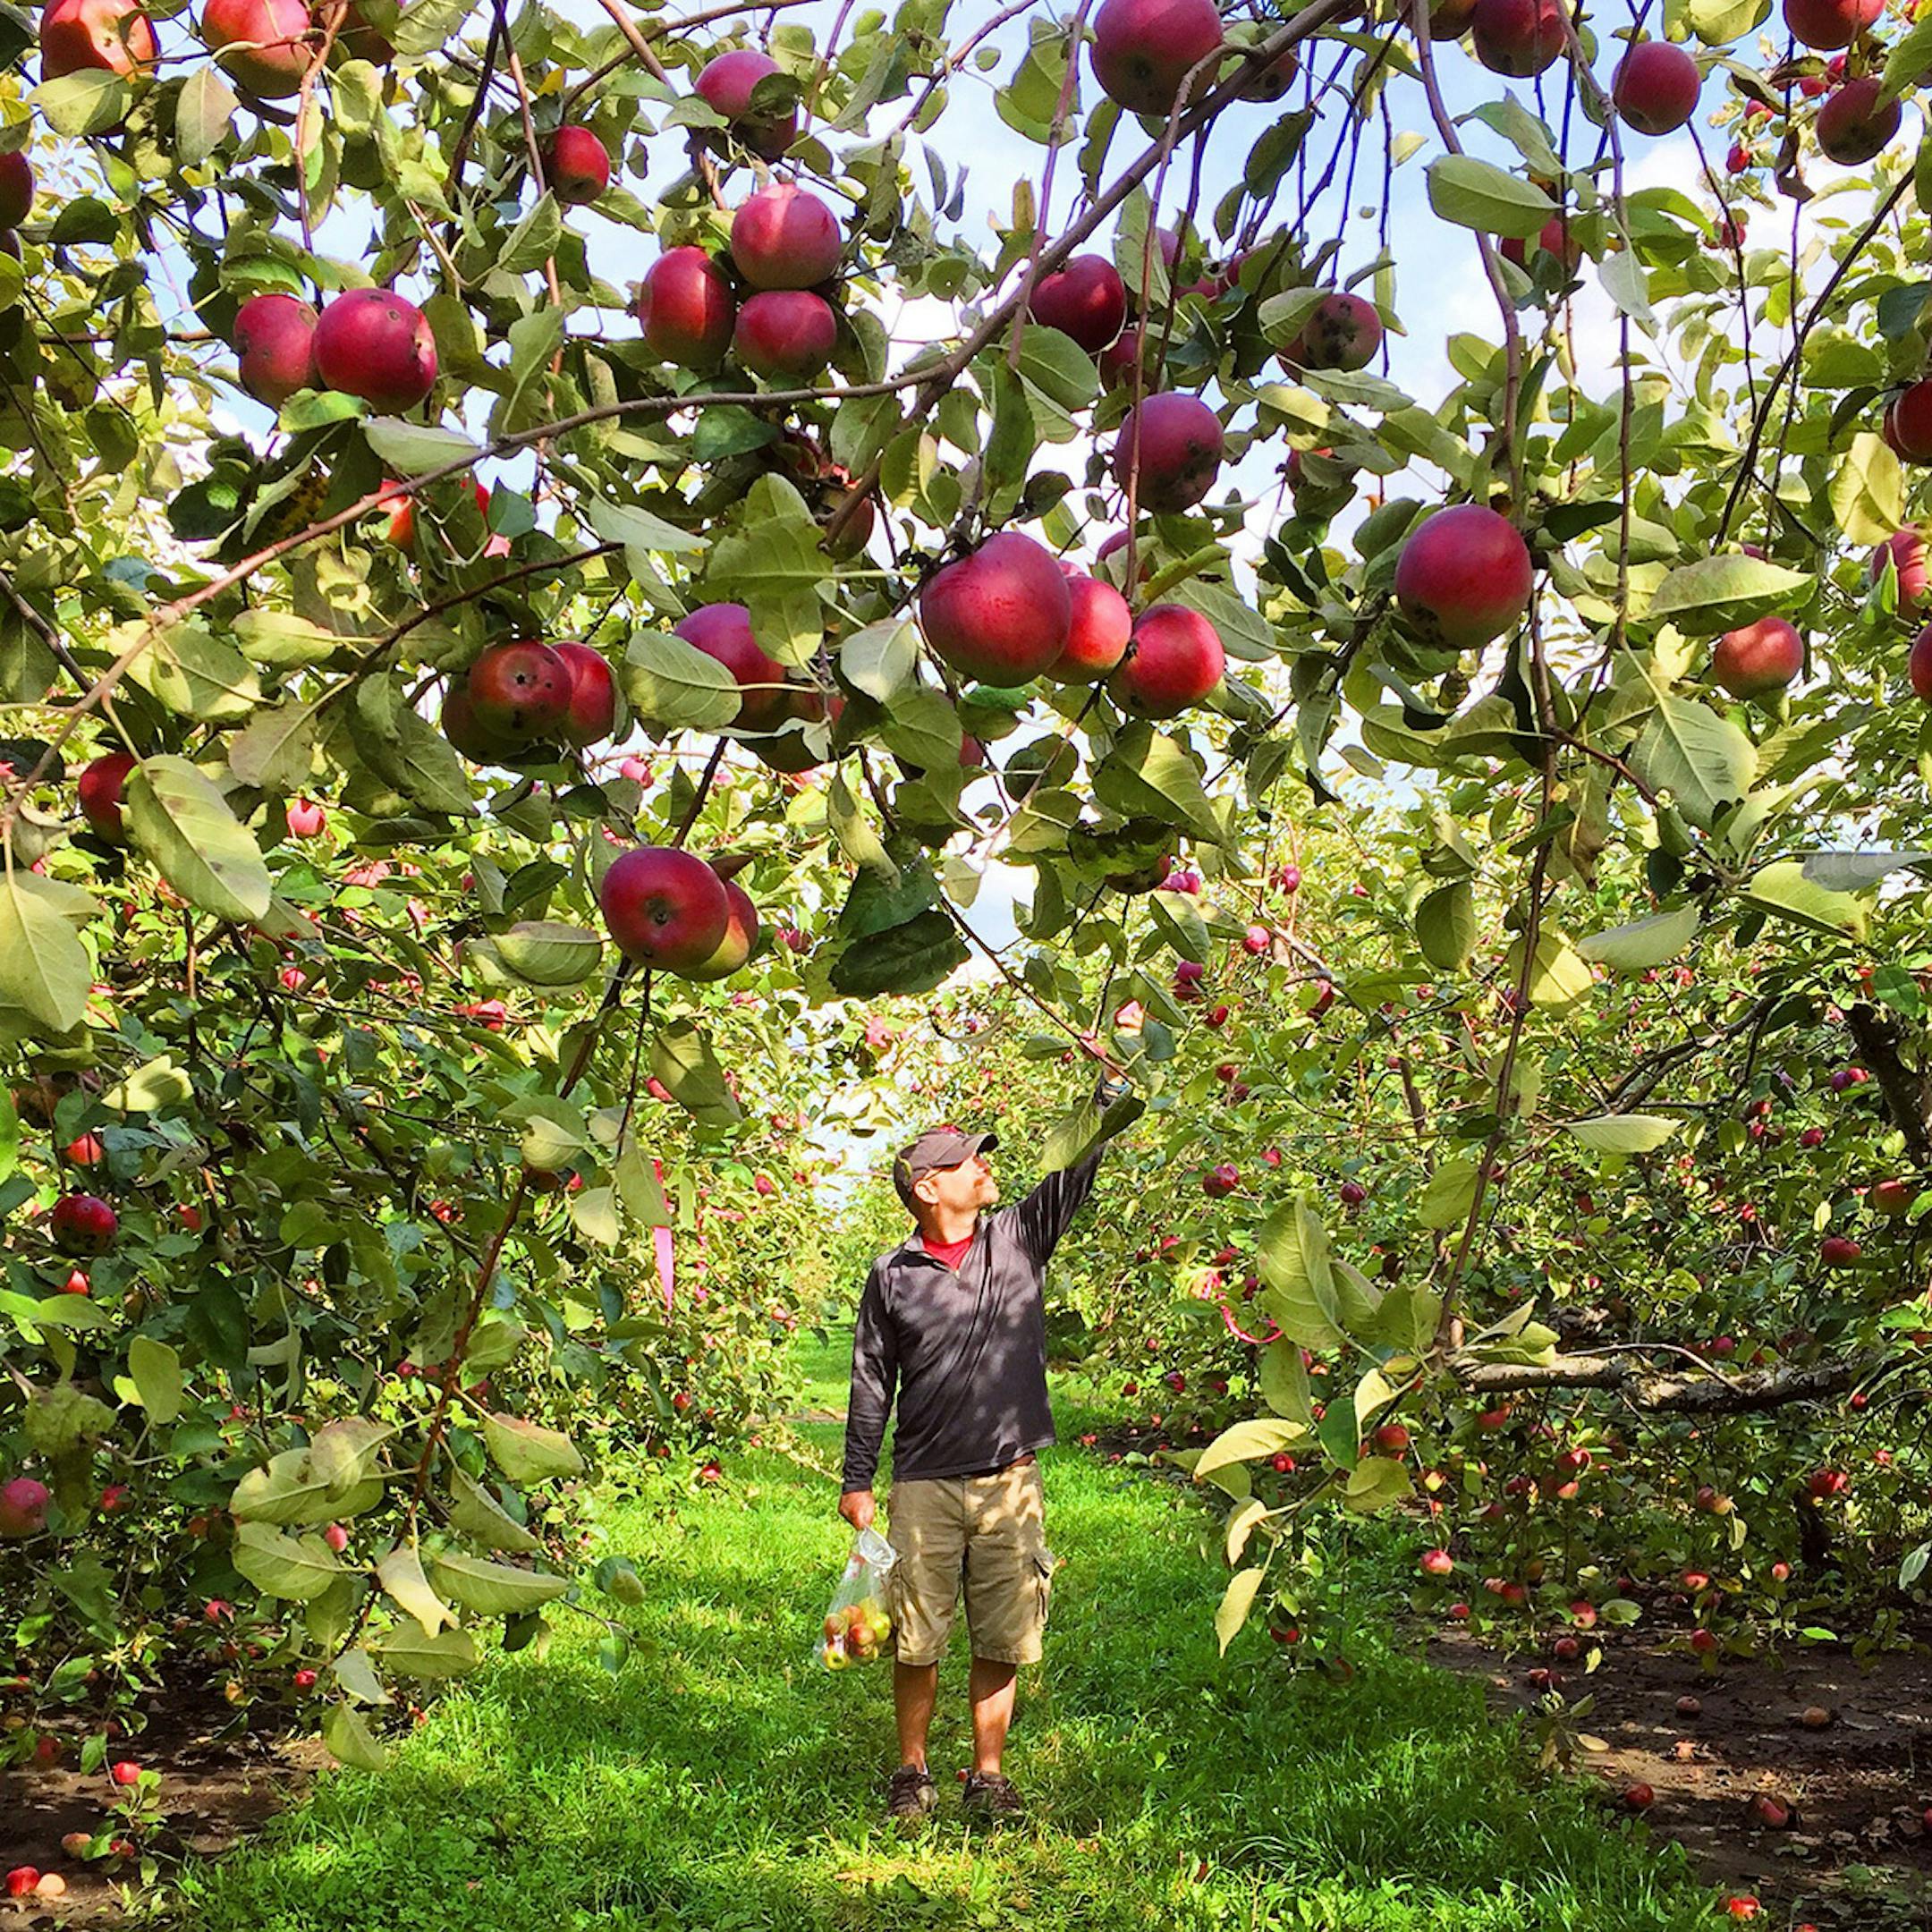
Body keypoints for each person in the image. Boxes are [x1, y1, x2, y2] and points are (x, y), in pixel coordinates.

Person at [838, 1006, 1145, 1824]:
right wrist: (857, 1479)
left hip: (1009, 1480)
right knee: (915, 1634)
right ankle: (912, 1771)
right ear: (927, 1186)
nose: (984, 1167)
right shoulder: (893, 1273)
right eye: (969, 1161)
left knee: (1003, 1635)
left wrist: (1108, 1079)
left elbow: (1075, 1170)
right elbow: (872, 1377)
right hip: (925, 1485)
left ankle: (987, 1773)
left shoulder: (1016, 1239)